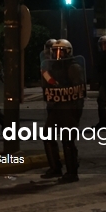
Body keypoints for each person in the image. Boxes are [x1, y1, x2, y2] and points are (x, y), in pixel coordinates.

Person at [41, 39, 85, 182]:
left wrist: (76, 112)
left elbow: (78, 90)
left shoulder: (73, 67)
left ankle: (72, 172)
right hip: (56, 107)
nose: (57, 54)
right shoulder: (52, 68)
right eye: (55, 51)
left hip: (68, 107)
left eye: (61, 51)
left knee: (67, 140)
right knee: (48, 136)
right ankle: (55, 167)